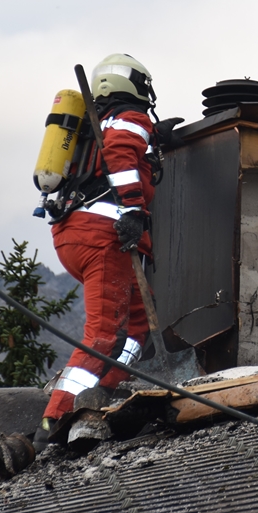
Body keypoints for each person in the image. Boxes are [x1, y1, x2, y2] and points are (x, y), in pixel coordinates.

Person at [33, 54, 163, 450]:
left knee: (137, 327)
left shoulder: (96, 123)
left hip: (71, 235)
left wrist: (161, 141)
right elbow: (122, 158)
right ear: (137, 85)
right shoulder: (130, 120)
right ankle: (53, 421)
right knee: (105, 334)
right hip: (103, 237)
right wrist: (135, 210)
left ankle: (100, 395)